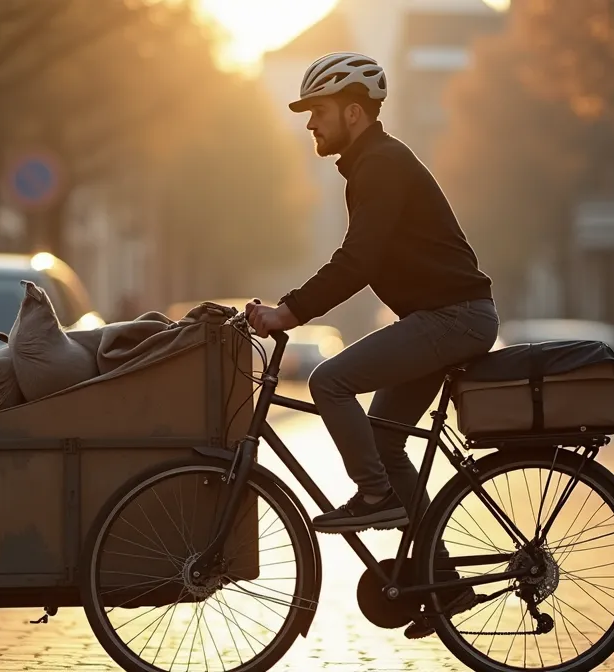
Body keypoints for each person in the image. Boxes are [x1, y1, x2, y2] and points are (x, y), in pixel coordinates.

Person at [245, 52, 497, 634]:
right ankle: (446, 582)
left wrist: (289, 311)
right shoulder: (372, 163)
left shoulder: (380, 165)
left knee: (328, 381)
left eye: (319, 112)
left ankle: (375, 497)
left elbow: (359, 260)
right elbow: (364, 258)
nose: (310, 124)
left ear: (353, 113)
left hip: (452, 318)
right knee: (384, 441)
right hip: (445, 317)